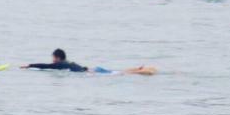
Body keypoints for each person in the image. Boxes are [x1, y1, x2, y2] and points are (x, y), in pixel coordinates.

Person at [21, 48, 156, 75]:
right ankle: (139, 69)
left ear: (57, 58)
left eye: (53, 57)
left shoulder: (60, 64)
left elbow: (45, 66)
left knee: (121, 73)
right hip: (93, 69)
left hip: (93, 73)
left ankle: (143, 72)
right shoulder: (66, 62)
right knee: (119, 71)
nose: (52, 60)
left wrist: (29, 65)